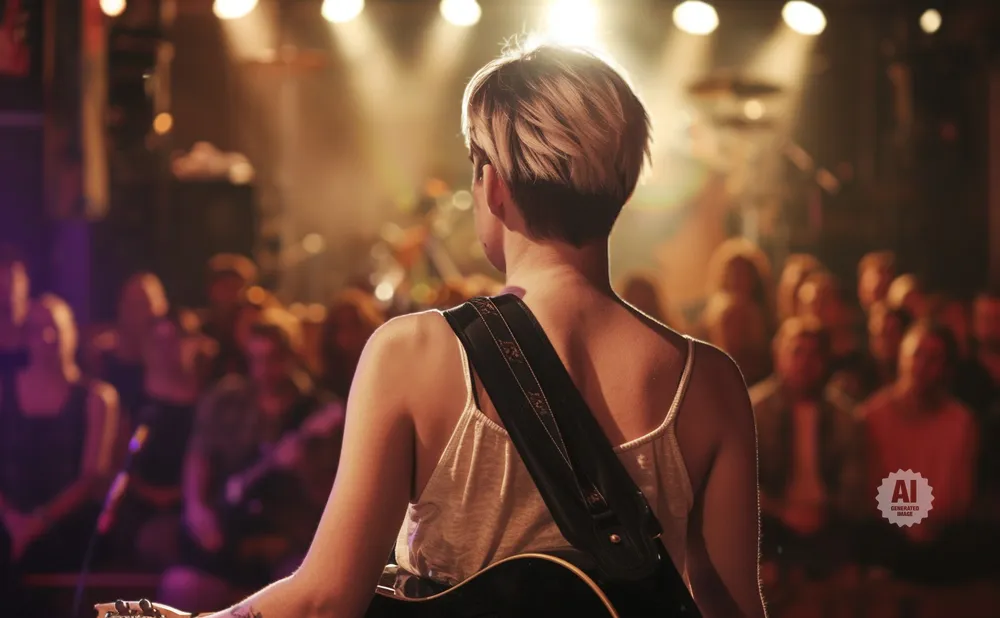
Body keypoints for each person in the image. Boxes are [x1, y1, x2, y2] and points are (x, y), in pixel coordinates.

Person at [106, 43, 766, 618]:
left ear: (495, 185)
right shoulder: (709, 384)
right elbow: (729, 606)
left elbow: (326, 600)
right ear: (621, 186)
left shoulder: (414, 354)